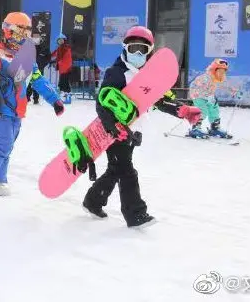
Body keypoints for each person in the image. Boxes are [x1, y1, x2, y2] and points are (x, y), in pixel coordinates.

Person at [76, 26, 201, 228]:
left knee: (115, 169)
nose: (137, 54)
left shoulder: (148, 77)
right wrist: (110, 127)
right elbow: (102, 101)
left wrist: (182, 110)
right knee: (126, 171)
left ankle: (93, 201)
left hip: (133, 132)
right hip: (114, 132)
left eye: (142, 49)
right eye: (133, 48)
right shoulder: (116, 73)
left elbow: (159, 100)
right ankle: (135, 214)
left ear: (149, 51)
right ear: (125, 48)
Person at [0, 12, 65, 196]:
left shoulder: (28, 56)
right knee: (4, 144)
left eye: (25, 33)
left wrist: (54, 99)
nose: (22, 37)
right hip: (0, 107)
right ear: (8, 31)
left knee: (8, 146)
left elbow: (37, 79)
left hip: (18, 110)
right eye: (18, 32)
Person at [187, 59, 241, 139]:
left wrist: (233, 90)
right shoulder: (206, 78)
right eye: (219, 71)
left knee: (214, 109)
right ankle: (195, 128)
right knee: (203, 110)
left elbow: (224, 85)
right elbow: (195, 87)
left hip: (209, 96)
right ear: (214, 70)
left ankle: (215, 128)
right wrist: (206, 96)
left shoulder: (218, 78)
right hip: (198, 95)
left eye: (223, 72)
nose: (221, 74)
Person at [27, 33, 51, 104]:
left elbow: (48, 58)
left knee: (37, 83)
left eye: (37, 38)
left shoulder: (44, 47)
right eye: (34, 37)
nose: (35, 39)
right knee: (28, 83)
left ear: (40, 38)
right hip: (29, 68)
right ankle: (27, 98)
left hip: (39, 69)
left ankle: (36, 99)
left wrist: (42, 65)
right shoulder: (29, 47)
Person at [51, 33, 73, 103]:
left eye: (61, 40)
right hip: (62, 69)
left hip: (66, 69)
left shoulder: (66, 48)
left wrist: (58, 62)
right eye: (59, 40)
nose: (60, 41)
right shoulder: (60, 48)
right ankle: (64, 97)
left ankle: (67, 98)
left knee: (64, 83)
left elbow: (67, 59)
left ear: (64, 40)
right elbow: (53, 54)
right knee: (62, 83)